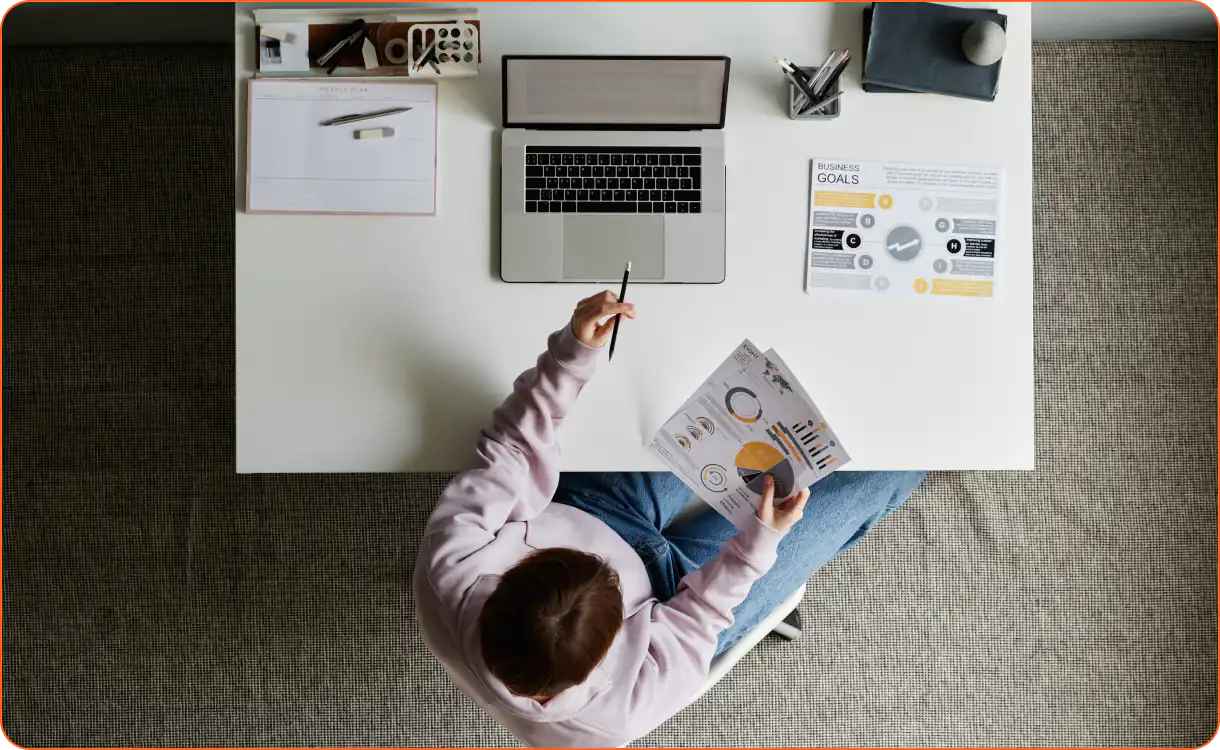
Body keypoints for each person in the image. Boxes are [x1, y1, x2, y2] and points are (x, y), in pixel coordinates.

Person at [413, 291, 926, 747]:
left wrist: (569, 359)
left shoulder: (449, 562)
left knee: (701, 374)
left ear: (514, 575)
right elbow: (700, 616)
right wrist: (757, 545)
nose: (602, 561)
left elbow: (510, 449)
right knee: (886, 472)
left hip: (594, 510)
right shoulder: (616, 718)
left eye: (575, 559)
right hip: (670, 600)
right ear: (601, 661)